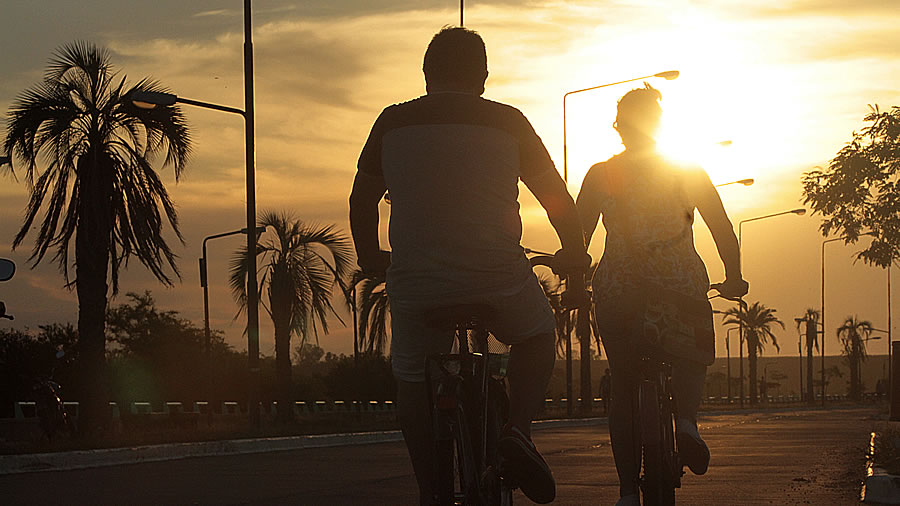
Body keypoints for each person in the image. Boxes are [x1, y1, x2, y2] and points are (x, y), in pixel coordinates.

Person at [349, 27, 589, 505]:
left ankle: (430, 492)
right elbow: (559, 202)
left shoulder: (391, 123)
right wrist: (575, 258)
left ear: (426, 74)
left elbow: (362, 199)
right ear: (482, 76)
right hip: (496, 274)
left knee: (414, 377)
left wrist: (371, 257)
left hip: (417, 281)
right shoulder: (510, 122)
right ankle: (518, 431)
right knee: (538, 334)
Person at [575, 83, 748, 506]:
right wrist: (734, 276)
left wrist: (578, 287)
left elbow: (576, 239)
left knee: (623, 382)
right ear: (660, 125)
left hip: (618, 289)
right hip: (680, 286)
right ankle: (686, 423)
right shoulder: (686, 170)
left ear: (618, 128)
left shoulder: (602, 174)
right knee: (690, 356)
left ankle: (627, 492)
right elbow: (721, 226)